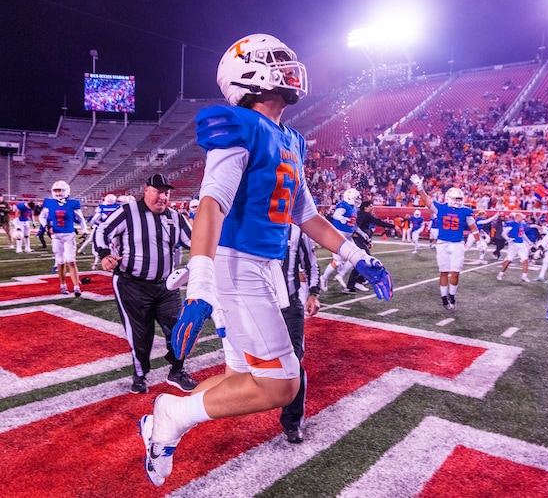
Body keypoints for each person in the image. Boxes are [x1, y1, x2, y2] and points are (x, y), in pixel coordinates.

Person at [137, 34, 392, 488]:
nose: (290, 66)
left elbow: (306, 213)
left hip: (263, 267)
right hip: (237, 265)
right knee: (281, 386)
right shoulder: (238, 125)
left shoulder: (291, 137)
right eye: (275, 60)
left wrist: (356, 254)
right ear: (245, 75)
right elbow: (211, 204)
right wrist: (200, 287)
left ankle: (165, 423)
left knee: (241, 375)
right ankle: (171, 415)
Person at [95, 173, 197, 395]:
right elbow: (102, 230)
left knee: (179, 329)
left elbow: (195, 242)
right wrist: (104, 254)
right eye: (158, 191)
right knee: (140, 334)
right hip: (132, 285)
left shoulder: (175, 217)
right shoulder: (128, 212)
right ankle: (140, 374)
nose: (162, 197)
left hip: (167, 286)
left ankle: (177, 371)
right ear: (146, 191)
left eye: (166, 192)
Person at [410, 174, 479, 310]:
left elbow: (474, 228)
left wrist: (479, 242)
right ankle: (443, 298)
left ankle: (452, 295)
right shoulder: (441, 208)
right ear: (448, 198)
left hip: (457, 244)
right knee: (443, 272)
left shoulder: (465, 211)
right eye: (455, 199)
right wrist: (420, 188)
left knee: (455, 272)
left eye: (460, 199)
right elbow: (426, 200)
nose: (458, 201)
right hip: (442, 243)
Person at [279, 223, 321, 443]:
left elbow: (311, 265)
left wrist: (313, 293)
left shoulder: (295, 231)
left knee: (293, 362)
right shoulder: (252, 225)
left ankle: (292, 421)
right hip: (260, 306)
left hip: (290, 305)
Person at [39, 181, 89, 296]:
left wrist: (85, 231)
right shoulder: (49, 203)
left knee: (71, 261)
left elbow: (81, 219)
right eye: (55, 190)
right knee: (60, 262)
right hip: (56, 236)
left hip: (68, 235)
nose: (57, 193)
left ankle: (76, 287)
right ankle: (63, 286)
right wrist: (46, 225)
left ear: (66, 190)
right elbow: (42, 216)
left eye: (59, 190)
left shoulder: (73, 203)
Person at [319, 188, 365, 292]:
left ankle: (340, 275)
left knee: (356, 257)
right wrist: (341, 218)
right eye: (356, 198)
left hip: (348, 236)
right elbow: (336, 215)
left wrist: (362, 233)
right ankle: (324, 278)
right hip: (337, 236)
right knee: (338, 262)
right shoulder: (344, 206)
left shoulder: (353, 208)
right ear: (349, 198)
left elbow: (354, 224)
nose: (358, 200)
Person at [345, 200, 395, 293]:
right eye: (370, 206)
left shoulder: (359, 214)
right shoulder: (366, 215)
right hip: (358, 240)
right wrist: (393, 226)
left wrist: (367, 241)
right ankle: (356, 282)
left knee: (363, 260)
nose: (372, 207)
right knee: (366, 261)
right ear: (366, 207)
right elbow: (378, 222)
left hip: (358, 240)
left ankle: (356, 283)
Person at [496, 212, 532, 283]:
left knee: (525, 260)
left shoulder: (522, 223)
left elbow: (523, 234)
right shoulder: (511, 223)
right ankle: (500, 274)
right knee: (509, 260)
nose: (523, 218)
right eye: (521, 217)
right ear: (517, 217)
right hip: (513, 244)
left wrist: (528, 241)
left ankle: (524, 276)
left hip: (521, 244)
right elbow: (503, 233)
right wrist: (508, 239)